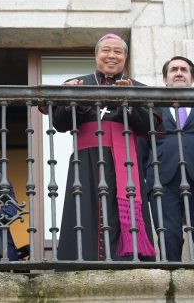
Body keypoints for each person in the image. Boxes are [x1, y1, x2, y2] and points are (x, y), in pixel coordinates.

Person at [51, 33, 162, 261]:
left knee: (121, 206)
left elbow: (151, 125)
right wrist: (78, 102)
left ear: (126, 57)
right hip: (87, 161)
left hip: (126, 162)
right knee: (85, 211)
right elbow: (60, 123)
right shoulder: (78, 84)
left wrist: (128, 100)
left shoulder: (139, 88)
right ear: (96, 55)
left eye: (118, 51)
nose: (112, 56)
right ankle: (82, 260)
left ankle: (128, 259)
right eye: (106, 50)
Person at [140, 56, 194, 262]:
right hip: (163, 179)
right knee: (169, 237)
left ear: (191, 79)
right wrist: (147, 173)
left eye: (184, 70)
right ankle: (170, 285)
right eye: (174, 69)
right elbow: (142, 143)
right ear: (165, 78)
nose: (178, 73)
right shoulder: (152, 107)